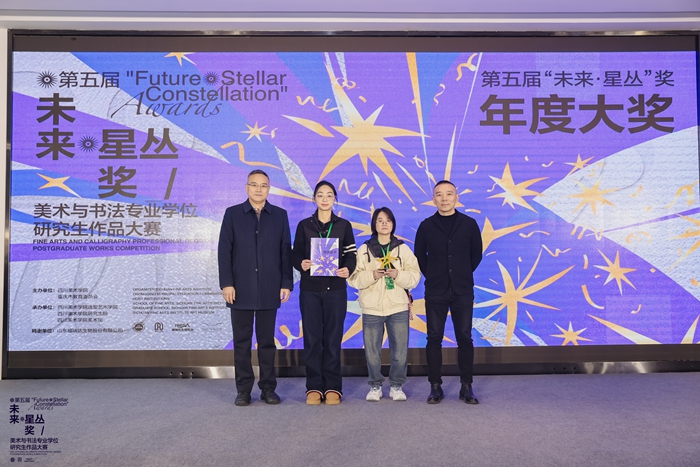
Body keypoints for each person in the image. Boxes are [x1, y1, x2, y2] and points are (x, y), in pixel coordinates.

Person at [218, 169, 293, 407]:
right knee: (242, 343)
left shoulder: (279, 215)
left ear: (269, 189)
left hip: (270, 286)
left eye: (263, 185)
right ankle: (243, 390)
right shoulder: (232, 214)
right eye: (254, 185)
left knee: (267, 342)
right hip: (240, 288)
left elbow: (285, 251)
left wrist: (286, 283)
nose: (259, 189)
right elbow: (224, 251)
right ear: (246, 187)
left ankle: (268, 388)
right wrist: (227, 283)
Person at [414, 180, 483, 405]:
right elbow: (419, 256)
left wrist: (461, 273)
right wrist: (434, 275)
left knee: (464, 337)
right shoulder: (426, 226)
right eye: (439, 194)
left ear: (456, 197)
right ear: (433, 199)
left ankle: (466, 386)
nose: (444, 198)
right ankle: (435, 386)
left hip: (462, 289)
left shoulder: (469, 224)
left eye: (449, 194)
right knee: (434, 338)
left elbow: (476, 255)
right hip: (436, 289)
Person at [292, 181, 357, 405]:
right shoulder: (304, 225)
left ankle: (332, 387)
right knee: (311, 338)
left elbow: (351, 255)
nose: (325, 199)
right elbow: (295, 254)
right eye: (320, 195)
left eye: (329, 195)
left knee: (332, 338)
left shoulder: (344, 226)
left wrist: (348, 269)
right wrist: (301, 263)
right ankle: (313, 387)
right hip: (310, 290)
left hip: (336, 290)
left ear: (335, 199)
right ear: (314, 199)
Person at [348, 207, 421, 402]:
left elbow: (415, 276)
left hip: (397, 306)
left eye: (388, 220)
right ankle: (375, 386)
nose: (384, 224)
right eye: (380, 220)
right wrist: (372, 275)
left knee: (400, 350)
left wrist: (398, 275)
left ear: (393, 224)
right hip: (372, 307)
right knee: (372, 351)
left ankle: (396, 386)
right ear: (374, 224)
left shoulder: (402, 249)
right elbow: (353, 279)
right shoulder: (364, 249)